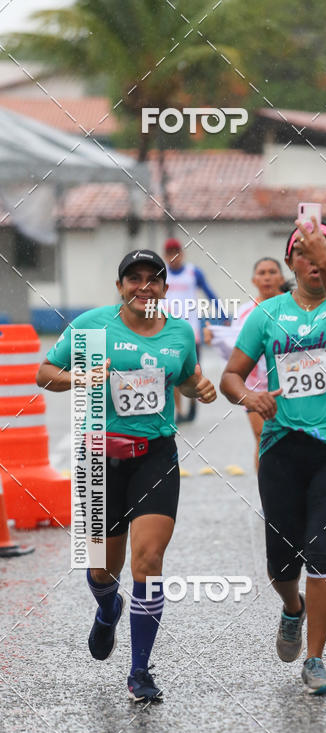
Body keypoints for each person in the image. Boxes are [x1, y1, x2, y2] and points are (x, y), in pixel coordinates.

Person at [36, 249, 217, 701]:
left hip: (155, 456)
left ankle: (140, 671)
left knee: (148, 561)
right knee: (103, 569)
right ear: (120, 287)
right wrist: (80, 379)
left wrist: (199, 386)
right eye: (133, 278)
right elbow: (44, 374)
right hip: (100, 457)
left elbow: (185, 377)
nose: (144, 286)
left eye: (153, 279)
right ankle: (106, 609)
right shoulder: (92, 327)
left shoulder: (179, 332)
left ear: (165, 288)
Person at [220, 220, 326, 695]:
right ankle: (292, 607)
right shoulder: (268, 315)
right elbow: (230, 376)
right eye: (304, 253)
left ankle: (316, 659)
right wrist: (250, 397)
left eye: (325, 252)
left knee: (321, 550)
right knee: (281, 564)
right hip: (281, 446)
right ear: (290, 262)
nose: (314, 260)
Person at [204, 257, 285, 470]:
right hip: (255, 388)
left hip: (289, 384)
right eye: (262, 273)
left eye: (272, 272)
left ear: (282, 277)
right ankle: (266, 490)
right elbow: (235, 351)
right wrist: (216, 338)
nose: (267, 277)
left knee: (290, 442)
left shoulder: (293, 306)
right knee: (263, 439)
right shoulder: (244, 313)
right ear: (253, 280)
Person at [164, 237, 217, 424]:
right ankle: (178, 411)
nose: (174, 257)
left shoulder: (193, 272)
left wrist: (222, 314)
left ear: (182, 254)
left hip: (191, 332)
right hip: (169, 332)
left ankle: (193, 404)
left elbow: (209, 293)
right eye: (170, 254)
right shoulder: (161, 275)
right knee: (173, 372)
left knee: (194, 372)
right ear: (165, 256)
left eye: (176, 253)